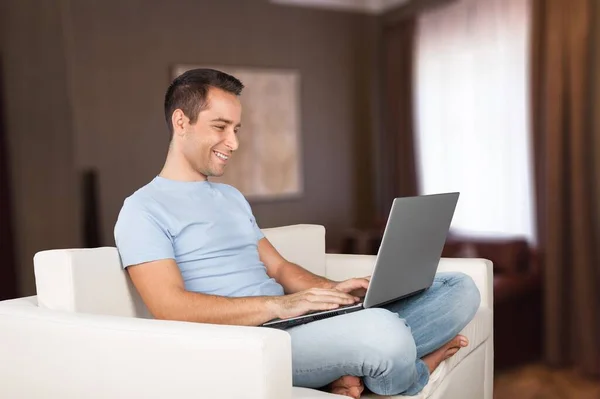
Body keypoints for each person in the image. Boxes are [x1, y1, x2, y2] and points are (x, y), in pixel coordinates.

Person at [114, 68, 481, 398]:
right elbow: (169, 307)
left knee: (460, 288)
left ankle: (354, 363)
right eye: (220, 127)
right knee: (384, 334)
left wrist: (331, 292)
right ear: (181, 121)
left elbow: (279, 269)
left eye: (236, 129)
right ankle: (411, 373)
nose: (234, 142)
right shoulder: (142, 210)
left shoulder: (230, 198)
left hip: (294, 323)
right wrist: (279, 305)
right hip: (253, 342)